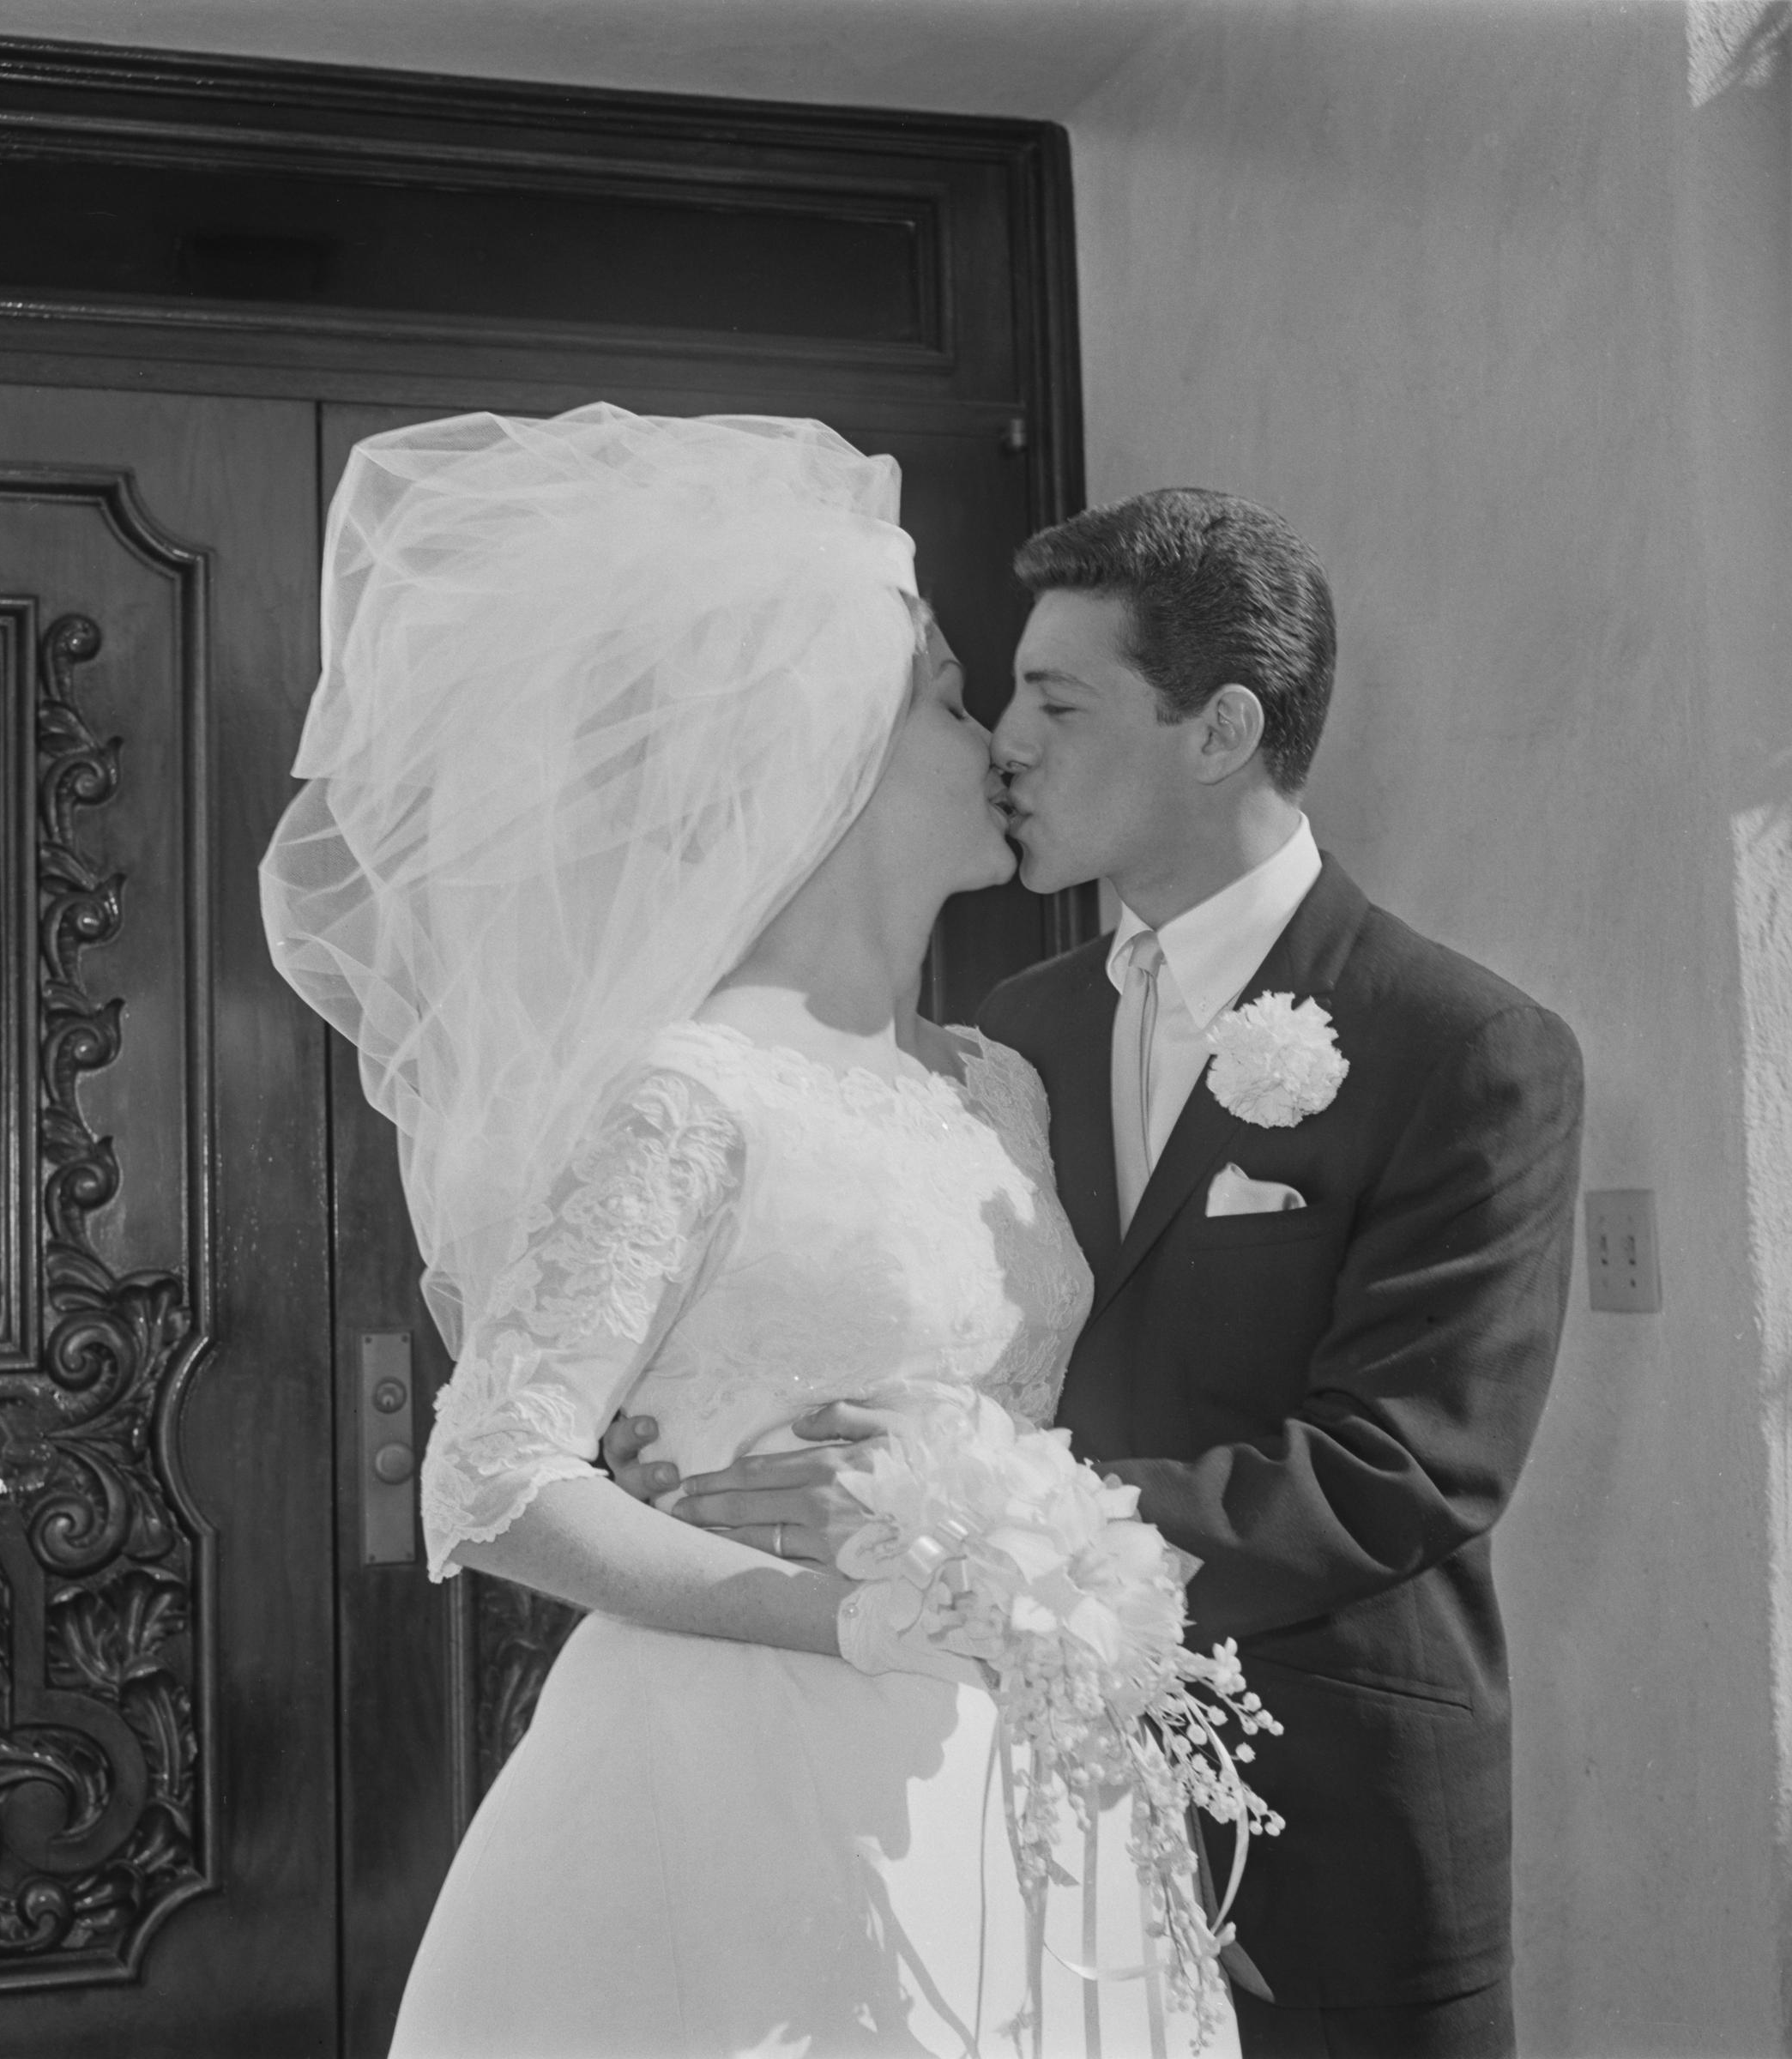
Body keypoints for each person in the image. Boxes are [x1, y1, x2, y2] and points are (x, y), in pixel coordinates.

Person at [261, 408, 1240, 2059]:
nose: (995, 739)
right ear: (833, 748)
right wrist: (849, 1615)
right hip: (730, 1770)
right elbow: (493, 1480)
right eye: (948, 700)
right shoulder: (691, 1089)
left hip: (1014, 1770)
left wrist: (1033, 1562)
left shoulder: (998, 1081)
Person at [637, 491, 1584, 2059]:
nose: (1006, 736)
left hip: (1325, 1816)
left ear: (1218, 731)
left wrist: (968, 1525)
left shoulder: (1464, 1047)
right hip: (999, 1800)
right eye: (1003, 693)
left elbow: (1404, 1471)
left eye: (1057, 701)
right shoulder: (1023, 1031)